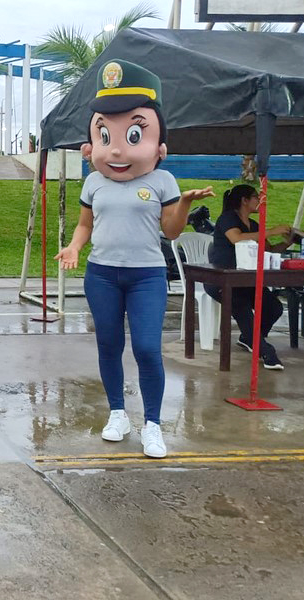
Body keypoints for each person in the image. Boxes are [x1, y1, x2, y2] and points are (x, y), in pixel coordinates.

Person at [55, 60, 212, 459]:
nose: (117, 148)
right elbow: (85, 224)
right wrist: (74, 247)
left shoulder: (162, 180)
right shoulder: (94, 181)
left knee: (145, 348)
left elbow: (171, 231)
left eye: (134, 134)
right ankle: (117, 414)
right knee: (108, 345)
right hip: (102, 275)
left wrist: (184, 204)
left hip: (146, 276)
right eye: (105, 135)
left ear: (159, 146)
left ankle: (153, 424)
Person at [204, 184, 292, 370]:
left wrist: (288, 242)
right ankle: (265, 351)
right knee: (243, 308)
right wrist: (271, 231)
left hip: (246, 280)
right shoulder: (227, 218)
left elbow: (269, 250)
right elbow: (236, 238)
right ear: (244, 200)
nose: (260, 200)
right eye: (256, 197)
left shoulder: (254, 226)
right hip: (222, 280)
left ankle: (249, 338)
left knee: (273, 307)